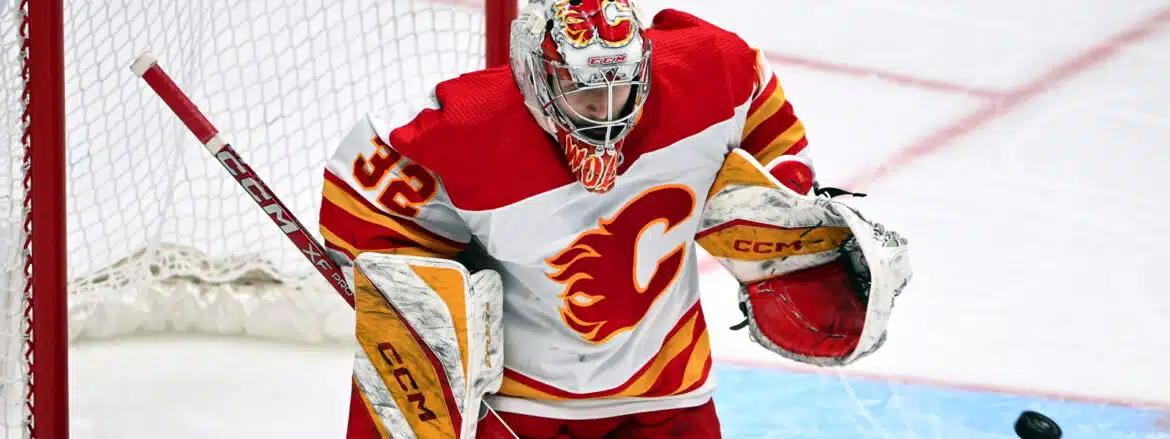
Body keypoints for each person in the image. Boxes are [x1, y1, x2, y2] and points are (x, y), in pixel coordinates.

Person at [318, 1, 912, 438]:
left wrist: (781, 202)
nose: (606, 115)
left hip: (670, 385)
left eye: (621, 90)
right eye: (584, 94)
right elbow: (364, 208)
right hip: (526, 402)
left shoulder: (703, 73)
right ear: (538, 76)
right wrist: (407, 294)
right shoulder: (473, 131)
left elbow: (766, 113)